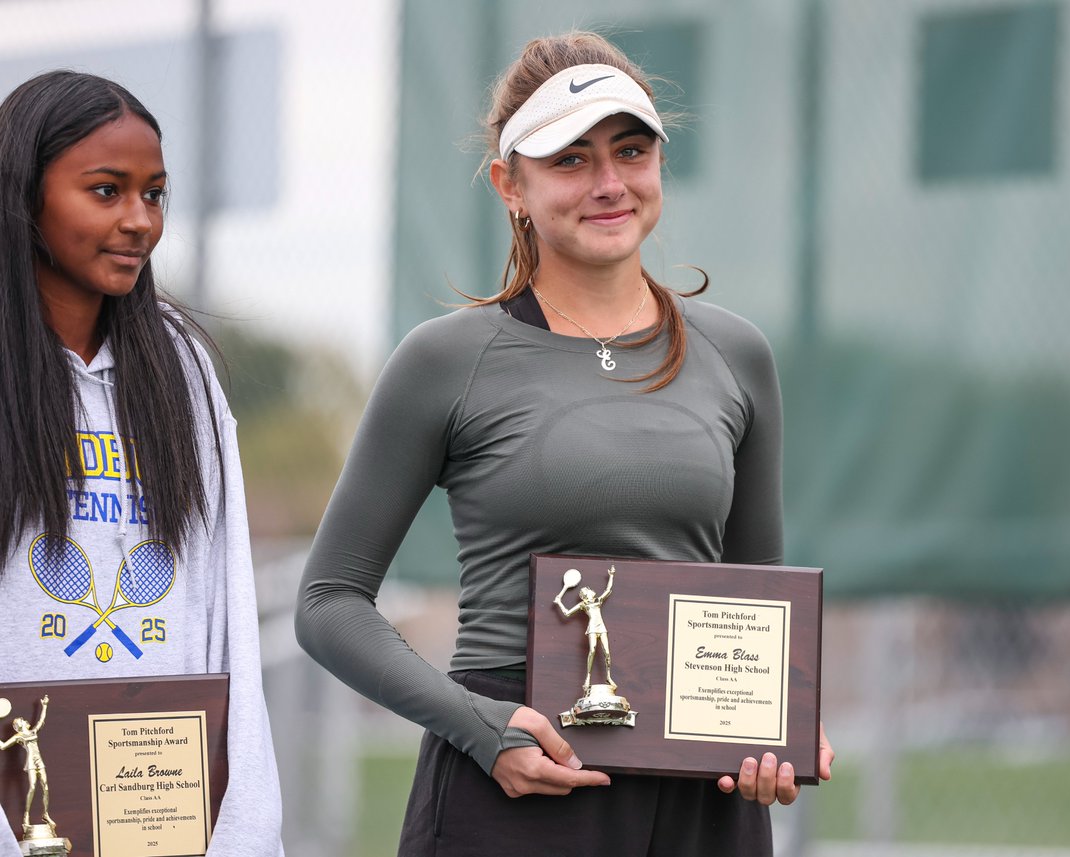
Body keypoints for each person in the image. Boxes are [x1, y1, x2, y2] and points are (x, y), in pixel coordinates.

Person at [295, 30, 833, 857]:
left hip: (702, 803)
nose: (610, 183)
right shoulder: (445, 360)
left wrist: (780, 729)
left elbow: (756, 611)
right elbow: (328, 601)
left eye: (630, 151)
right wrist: (481, 726)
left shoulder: (739, 353)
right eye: (571, 160)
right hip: (514, 776)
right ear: (511, 185)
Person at [0, 71, 284, 856]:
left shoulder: (182, 369)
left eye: (154, 194)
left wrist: (246, 832)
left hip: (162, 816)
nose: (138, 221)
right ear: (24, 197)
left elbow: (227, 615)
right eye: (105, 190)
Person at [0, 697, 54, 834]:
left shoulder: (33, 732)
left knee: (46, 787)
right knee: (33, 786)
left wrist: (45, 706)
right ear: (19, 724)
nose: (25, 720)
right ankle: (26, 816)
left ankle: (45, 814)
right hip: (30, 762)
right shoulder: (18, 736)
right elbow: (3, 746)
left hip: (39, 761)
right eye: (22, 720)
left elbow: (41, 721)